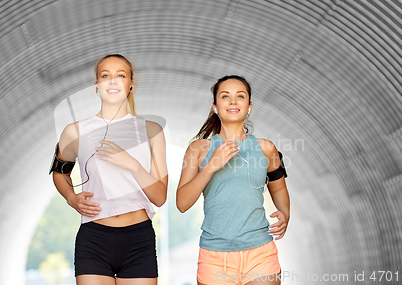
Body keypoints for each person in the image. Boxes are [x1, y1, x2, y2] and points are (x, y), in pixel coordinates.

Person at [50, 54, 168, 285]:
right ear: (97, 86)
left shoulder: (151, 130)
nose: (112, 81)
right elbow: (59, 172)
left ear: (131, 85)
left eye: (120, 75)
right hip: (94, 238)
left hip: (138, 238)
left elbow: (160, 196)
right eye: (106, 76)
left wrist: (131, 163)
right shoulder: (75, 131)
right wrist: (71, 197)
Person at [176, 75, 290, 285]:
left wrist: (285, 213)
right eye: (225, 96)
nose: (233, 101)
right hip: (214, 255)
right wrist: (211, 166)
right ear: (215, 107)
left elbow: (279, 187)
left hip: (260, 253)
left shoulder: (266, 148)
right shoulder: (198, 149)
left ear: (249, 107)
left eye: (240, 96)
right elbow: (182, 203)